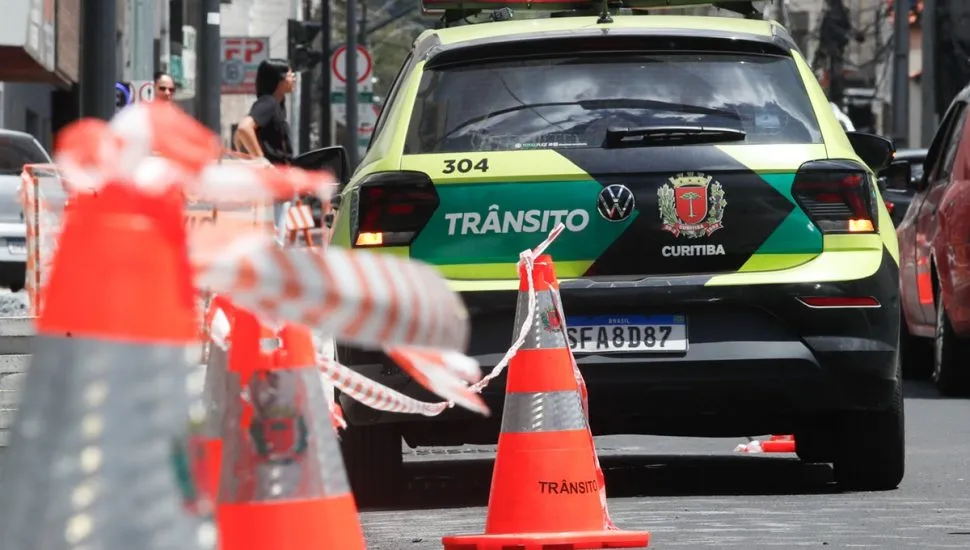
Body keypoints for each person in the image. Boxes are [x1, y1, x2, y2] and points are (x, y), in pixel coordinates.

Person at [234, 59, 296, 165]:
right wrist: (261, 162)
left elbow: (237, 137)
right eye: (290, 75)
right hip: (272, 175)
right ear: (279, 79)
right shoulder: (269, 102)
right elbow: (244, 128)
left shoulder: (275, 105)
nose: (294, 79)